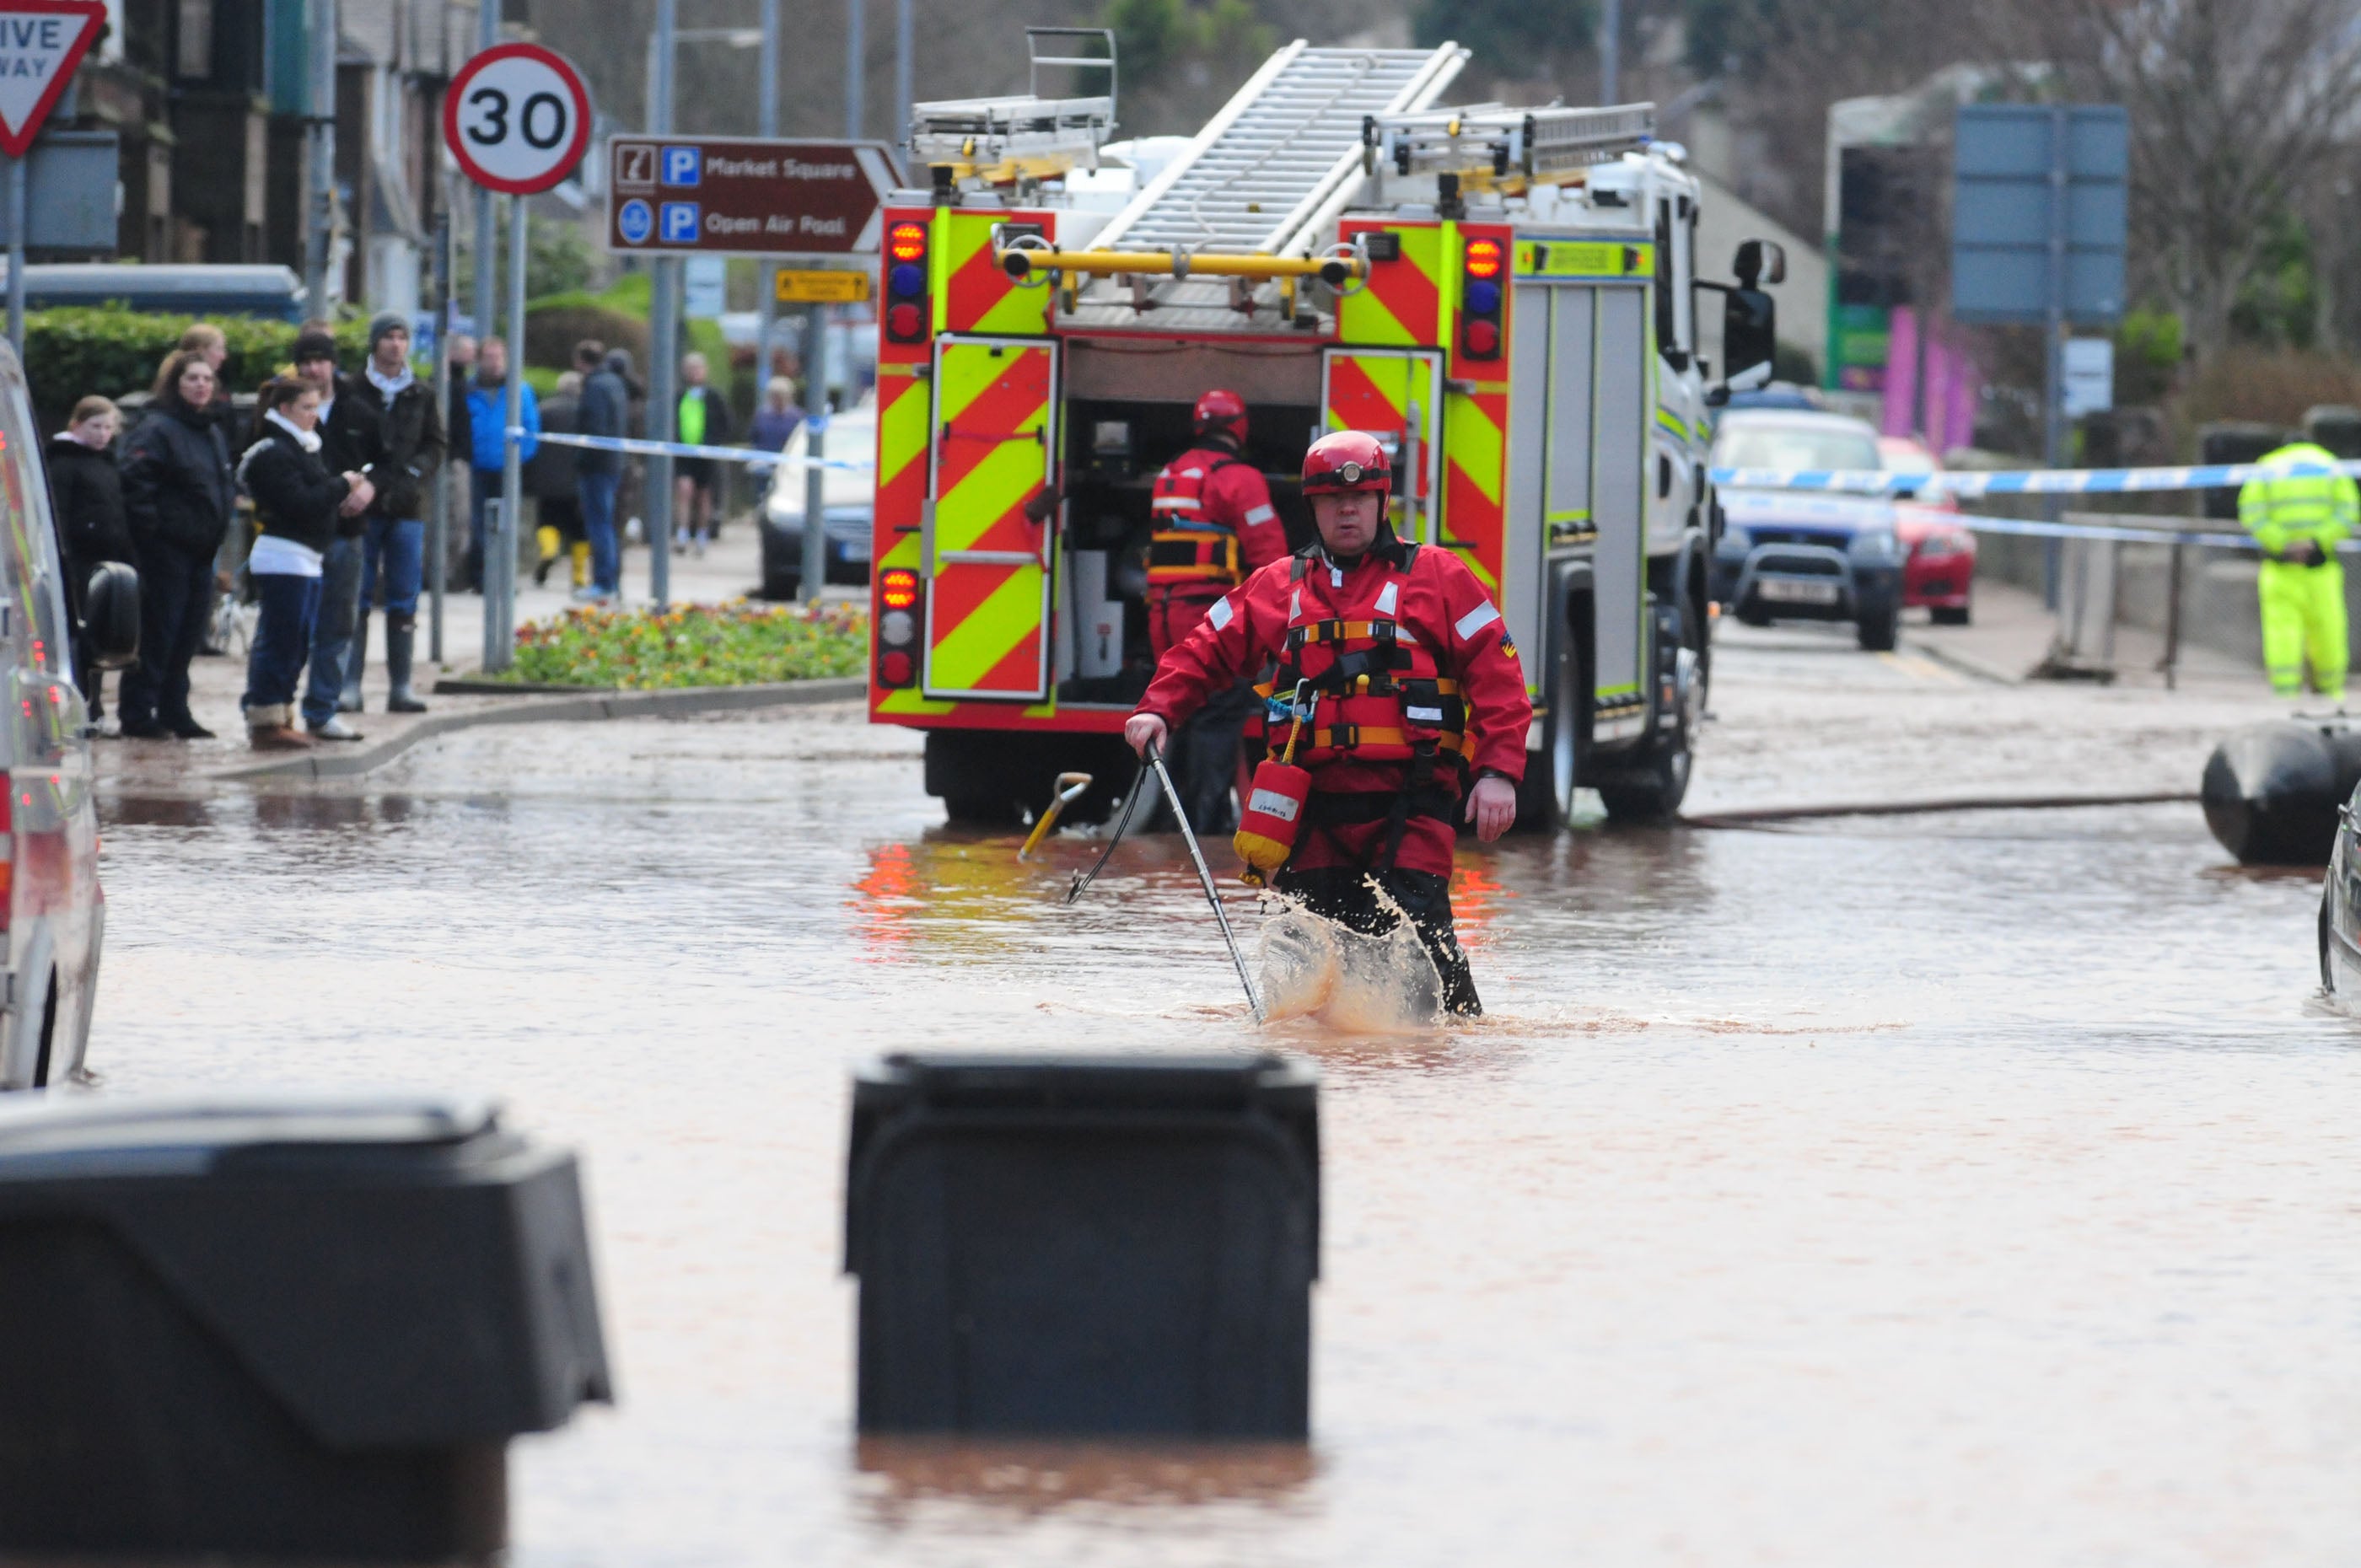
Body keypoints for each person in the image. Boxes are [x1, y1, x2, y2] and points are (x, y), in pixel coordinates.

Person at [1124, 430, 1530, 1017]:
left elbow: (1499, 673)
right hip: (1310, 810)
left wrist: (1498, 772)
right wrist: (1158, 707)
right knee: (1304, 957)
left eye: (1361, 498)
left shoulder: (1439, 577)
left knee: (1424, 947)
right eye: (1334, 501)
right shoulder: (1279, 586)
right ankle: (1318, 1058)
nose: (1348, 510)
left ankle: (1454, 1056)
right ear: (1312, 507)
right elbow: (1206, 645)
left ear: (1381, 502)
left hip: (1410, 803)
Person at [1142, 389, 1293, 831]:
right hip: (1209, 617)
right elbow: (1271, 558)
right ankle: (1202, 828)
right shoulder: (1239, 477)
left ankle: (1170, 826)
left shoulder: (1171, 472)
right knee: (1217, 714)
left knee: (1180, 710)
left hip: (1163, 615)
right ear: (1240, 426)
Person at [237, 376, 373, 749]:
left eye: (315, 407)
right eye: (306, 408)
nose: (314, 415)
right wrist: (341, 486)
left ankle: (281, 713)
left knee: (296, 642)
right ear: (284, 410)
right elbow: (299, 502)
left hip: (307, 557)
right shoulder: (273, 451)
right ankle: (265, 720)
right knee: (280, 641)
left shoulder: (304, 447)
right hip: (283, 555)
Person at [328, 313, 444, 717]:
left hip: (407, 508)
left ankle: (401, 685)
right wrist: (358, 483)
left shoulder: (421, 393)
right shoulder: (353, 391)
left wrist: (414, 475)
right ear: (374, 344)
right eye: (388, 337)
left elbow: (435, 443)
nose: (395, 345)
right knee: (356, 595)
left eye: (402, 337)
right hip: (362, 508)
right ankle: (349, 685)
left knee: (403, 596)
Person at [118, 351, 238, 740]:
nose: (202, 385)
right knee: (159, 632)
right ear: (176, 384)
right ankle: (138, 712)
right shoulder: (158, 428)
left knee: (187, 635)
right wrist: (154, 532)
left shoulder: (211, 429)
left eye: (207, 379)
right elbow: (136, 481)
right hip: (167, 549)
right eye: (192, 379)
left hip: (201, 550)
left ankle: (174, 709)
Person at [289, 330, 366, 739]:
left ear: (333, 364)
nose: (314, 368)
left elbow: (384, 458)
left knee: (338, 622)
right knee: (291, 625)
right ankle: (276, 709)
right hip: (300, 533)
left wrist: (372, 486)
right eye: (307, 360)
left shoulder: (357, 406)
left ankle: (322, 708)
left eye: (321, 360)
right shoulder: (285, 407)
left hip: (347, 530)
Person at [2240, 440, 2357, 701]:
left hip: (2280, 568)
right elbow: (2349, 511)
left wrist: (2283, 543)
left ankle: (2285, 690)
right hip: (2321, 569)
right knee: (2329, 628)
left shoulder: (2268, 467)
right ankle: (2330, 689)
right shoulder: (2329, 464)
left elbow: (2251, 513)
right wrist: (2317, 541)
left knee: (2282, 631)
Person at [46, 396, 135, 727]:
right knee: (79, 638)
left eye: (108, 428)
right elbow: (61, 517)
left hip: (106, 563)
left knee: (99, 637)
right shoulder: (64, 463)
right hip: (78, 564)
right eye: (95, 426)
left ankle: (93, 705)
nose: (102, 434)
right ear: (76, 425)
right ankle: (79, 706)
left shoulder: (107, 463)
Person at [575, 341, 629, 603]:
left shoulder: (595, 386)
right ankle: (610, 580)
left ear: (580, 361)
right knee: (607, 524)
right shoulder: (615, 383)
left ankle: (603, 582)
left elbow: (595, 428)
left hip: (597, 466)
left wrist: (581, 458)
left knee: (599, 525)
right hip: (613, 463)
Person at [529, 370, 586, 588]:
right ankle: (579, 576)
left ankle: (549, 550)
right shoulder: (584, 411)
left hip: (547, 479)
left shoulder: (544, 409)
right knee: (579, 529)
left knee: (547, 520)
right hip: (576, 481)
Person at [672, 351, 732, 556]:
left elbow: (725, 423)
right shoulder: (680, 395)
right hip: (683, 453)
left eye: (697, 369)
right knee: (684, 490)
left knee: (704, 495)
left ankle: (701, 535)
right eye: (690, 369)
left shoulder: (713, 396)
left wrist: (713, 443)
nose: (694, 373)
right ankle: (682, 533)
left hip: (705, 454)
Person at [747, 374, 803, 456]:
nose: (778, 399)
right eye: (774, 396)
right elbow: (753, 437)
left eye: (781, 396)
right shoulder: (761, 415)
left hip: (789, 460)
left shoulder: (798, 417)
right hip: (763, 459)